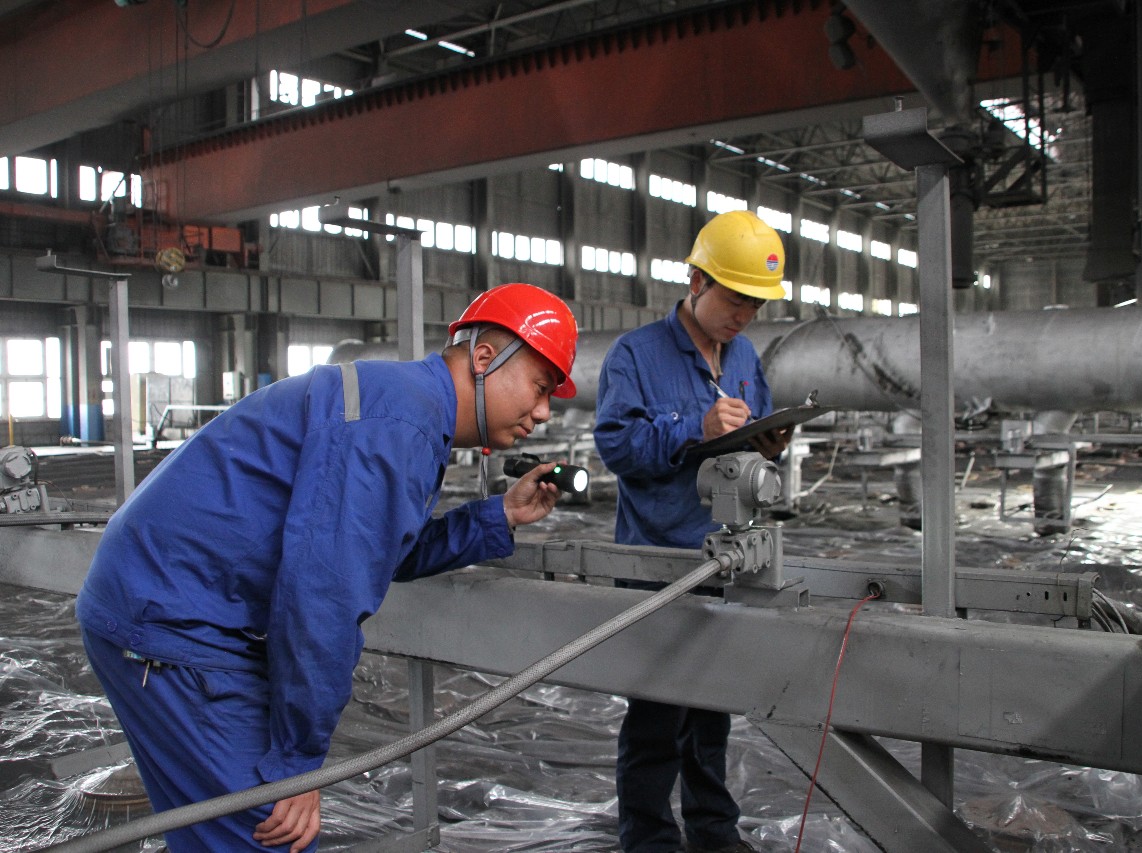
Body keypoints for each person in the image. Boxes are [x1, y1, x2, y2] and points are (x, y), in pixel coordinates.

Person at [76, 282, 578, 852]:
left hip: (167, 600)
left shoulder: (407, 409)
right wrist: (298, 761)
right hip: (176, 623)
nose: (543, 412)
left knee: (217, 835)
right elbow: (324, 597)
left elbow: (381, 551)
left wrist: (499, 516)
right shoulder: (400, 425)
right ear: (484, 358)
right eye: (540, 387)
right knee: (270, 837)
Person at [593, 210, 794, 853]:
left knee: (712, 710)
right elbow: (617, 447)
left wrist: (770, 442)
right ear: (697, 281)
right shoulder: (636, 354)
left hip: (726, 556)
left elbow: (755, 430)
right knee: (657, 713)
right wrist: (694, 430)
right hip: (660, 559)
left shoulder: (744, 355)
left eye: (755, 305)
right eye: (735, 299)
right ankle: (649, 839)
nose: (744, 316)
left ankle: (713, 831)